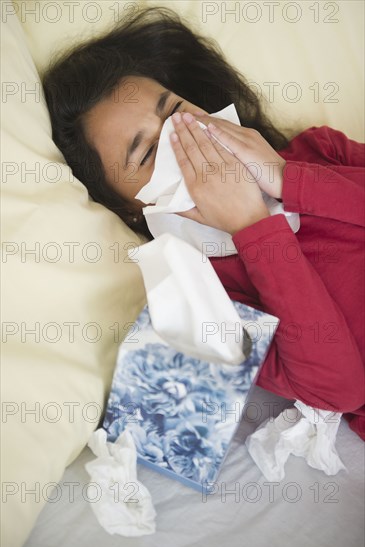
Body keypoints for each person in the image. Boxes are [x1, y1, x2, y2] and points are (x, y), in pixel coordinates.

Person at [42, 6, 365, 440]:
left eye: (175, 109)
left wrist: (291, 179)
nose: (183, 137)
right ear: (129, 207)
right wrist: (254, 228)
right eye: (148, 152)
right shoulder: (209, 297)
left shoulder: (319, 152)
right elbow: (342, 389)